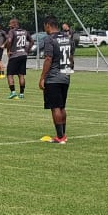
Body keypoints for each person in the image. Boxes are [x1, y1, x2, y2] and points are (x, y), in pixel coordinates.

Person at [38, 16, 74, 144]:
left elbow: (48, 59)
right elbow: (71, 57)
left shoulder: (49, 39)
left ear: (48, 25)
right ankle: (63, 134)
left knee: (55, 107)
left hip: (53, 77)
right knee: (62, 106)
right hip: (66, 75)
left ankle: (60, 137)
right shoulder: (68, 38)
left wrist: (42, 77)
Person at [5, 18, 31, 99]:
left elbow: (9, 41)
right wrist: (27, 50)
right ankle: (22, 94)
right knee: (21, 75)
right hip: (23, 55)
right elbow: (32, 41)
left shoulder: (12, 31)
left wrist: (8, 51)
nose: (9, 26)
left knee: (9, 74)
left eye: (10, 24)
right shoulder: (25, 31)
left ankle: (13, 92)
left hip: (15, 55)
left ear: (14, 24)